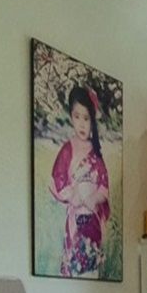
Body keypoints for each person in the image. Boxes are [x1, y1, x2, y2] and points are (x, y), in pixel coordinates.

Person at [49, 85, 110, 277]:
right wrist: (73, 196)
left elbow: (104, 184)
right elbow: (58, 178)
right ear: (71, 118)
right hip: (75, 218)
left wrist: (94, 198)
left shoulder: (96, 153)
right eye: (77, 117)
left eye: (86, 118)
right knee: (74, 264)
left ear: (92, 120)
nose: (82, 124)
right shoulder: (68, 149)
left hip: (92, 218)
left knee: (92, 265)